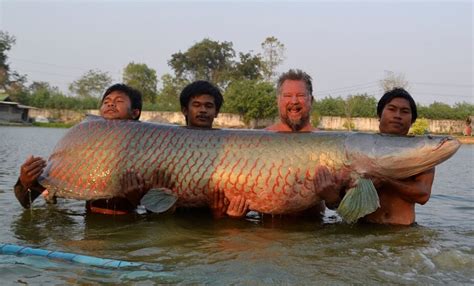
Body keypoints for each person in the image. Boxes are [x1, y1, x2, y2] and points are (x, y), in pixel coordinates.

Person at [14, 83, 148, 215]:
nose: (111, 104)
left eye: (119, 101)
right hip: (89, 229)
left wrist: (137, 198)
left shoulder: (148, 152)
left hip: (127, 228)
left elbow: (159, 213)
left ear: (135, 112)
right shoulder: (84, 149)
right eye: (106, 101)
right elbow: (25, 202)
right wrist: (26, 181)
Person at [361, 88, 435, 225]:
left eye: (405, 111)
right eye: (392, 109)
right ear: (379, 114)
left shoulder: (423, 152)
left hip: (402, 233)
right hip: (362, 229)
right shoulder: (360, 148)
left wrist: (387, 180)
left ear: (412, 120)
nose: (397, 115)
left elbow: (423, 194)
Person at [179, 80, 249, 218]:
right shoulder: (172, 142)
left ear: (216, 112)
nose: (203, 110)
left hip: (215, 222)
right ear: (185, 110)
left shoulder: (230, 146)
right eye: (196, 105)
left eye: (208, 106)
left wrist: (228, 216)